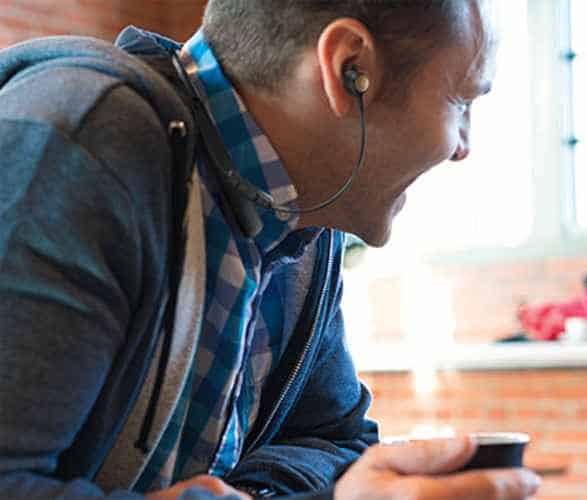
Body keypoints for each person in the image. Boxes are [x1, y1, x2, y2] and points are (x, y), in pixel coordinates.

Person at [0, 1, 540, 499]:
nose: (463, 147)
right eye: (461, 101)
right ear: (350, 68)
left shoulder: (305, 216)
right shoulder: (82, 145)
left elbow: (337, 443)